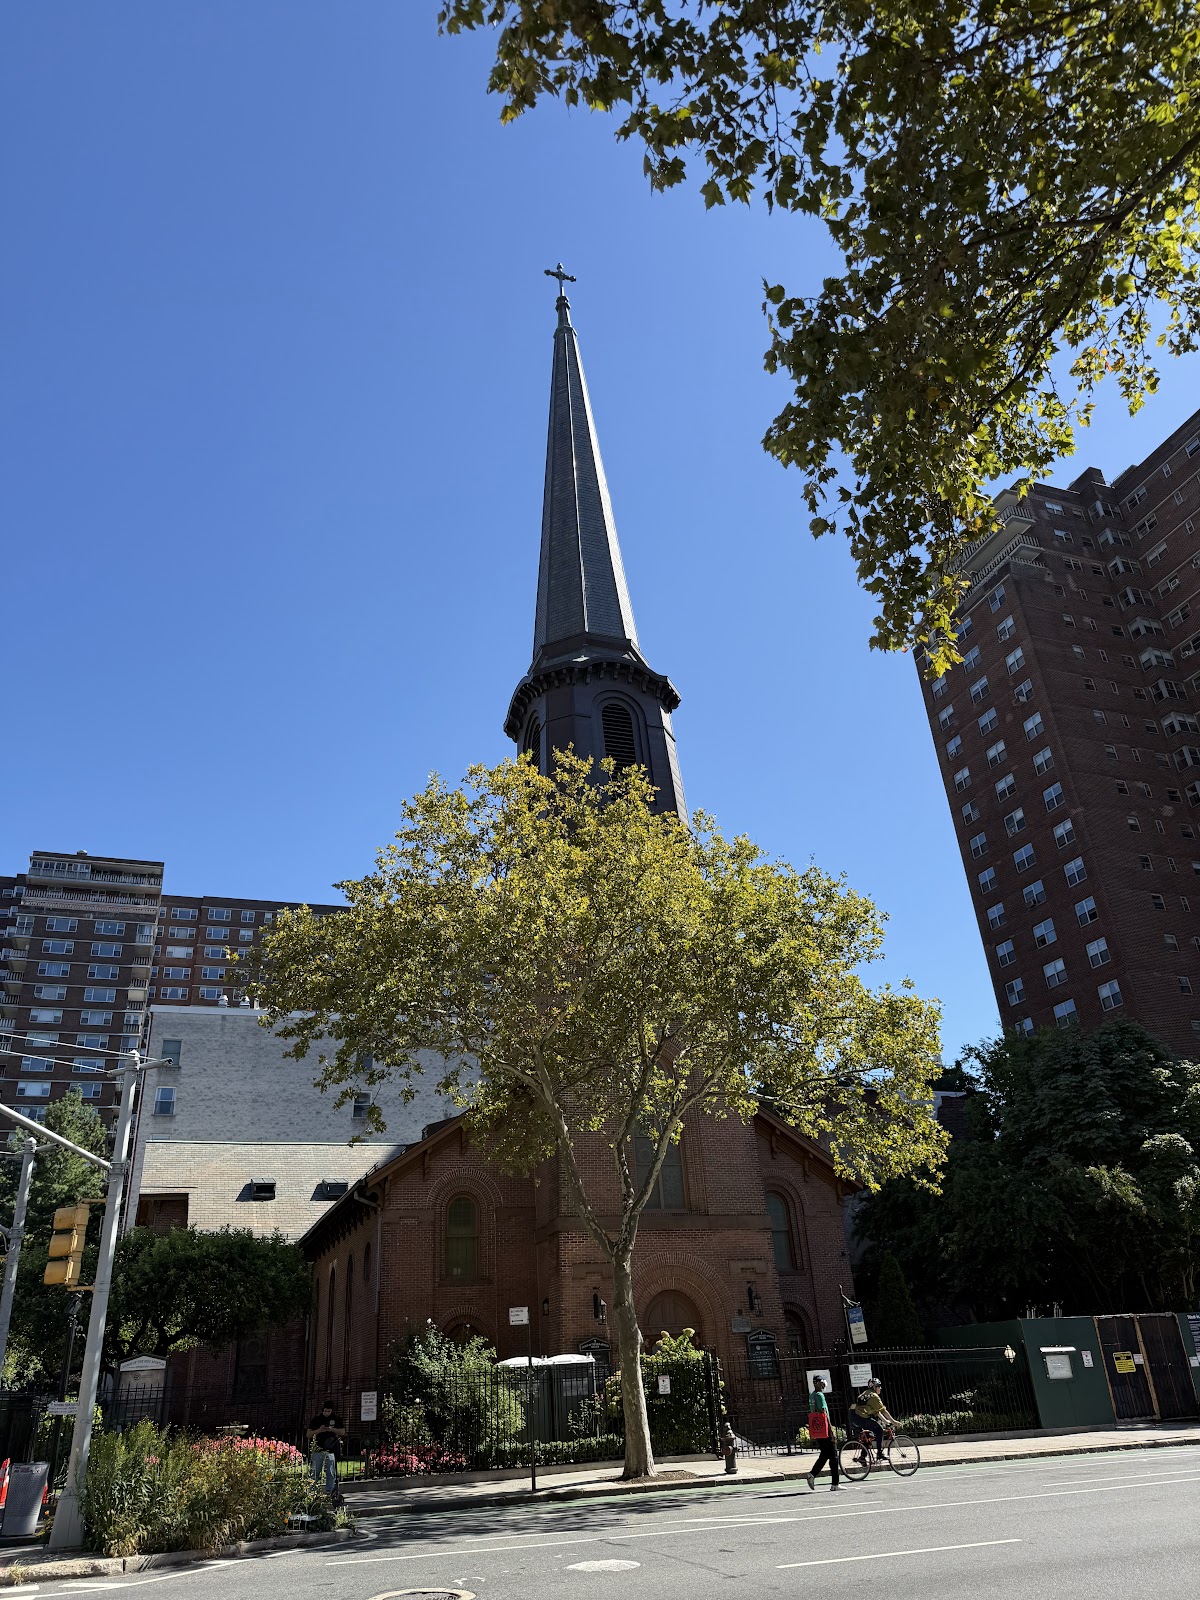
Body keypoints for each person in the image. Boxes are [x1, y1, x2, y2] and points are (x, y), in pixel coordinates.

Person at [803, 1375, 840, 1491]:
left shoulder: (812, 1396)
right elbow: (824, 1414)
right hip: (825, 1430)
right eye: (823, 1382)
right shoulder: (820, 1395)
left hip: (817, 1429)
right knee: (833, 1456)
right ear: (818, 1383)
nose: (824, 1384)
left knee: (824, 1454)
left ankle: (812, 1474)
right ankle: (835, 1484)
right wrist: (831, 1431)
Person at [849, 1377, 897, 1459]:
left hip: (853, 1417)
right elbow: (883, 1411)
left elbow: (877, 1412)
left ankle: (862, 1457)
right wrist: (894, 1422)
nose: (880, 1388)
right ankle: (879, 1454)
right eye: (879, 1386)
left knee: (869, 1435)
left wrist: (886, 1421)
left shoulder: (866, 1393)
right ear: (874, 1387)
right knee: (879, 1430)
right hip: (860, 1418)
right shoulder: (874, 1396)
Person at [307, 1401, 345, 1495]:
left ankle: (330, 1492)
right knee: (315, 1472)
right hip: (318, 1448)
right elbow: (308, 1434)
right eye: (325, 1411)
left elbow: (342, 1432)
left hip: (330, 1449)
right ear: (322, 1410)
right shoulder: (317, 1419)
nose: (327, 1413)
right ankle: (311, 1492)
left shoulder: (336, 1419)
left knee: (331, 1473)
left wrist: (332, 1430)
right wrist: (319, 1430)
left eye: (329, 1411)